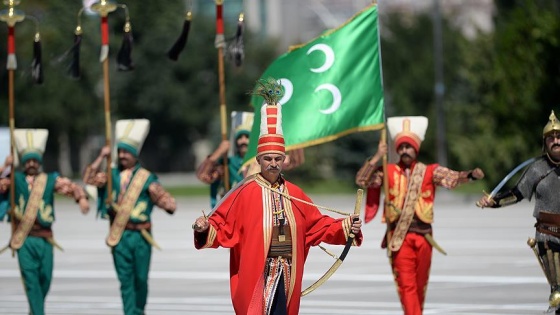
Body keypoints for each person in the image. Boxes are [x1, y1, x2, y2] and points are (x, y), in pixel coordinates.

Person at [192, 81, 363, 315]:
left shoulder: (295, 193)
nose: (273, 163)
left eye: (277, 159)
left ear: (283, 160)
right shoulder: (245, 191)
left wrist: (346, 226)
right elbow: (223, 226)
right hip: (257, 273)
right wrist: (204, 228)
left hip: (287, 271)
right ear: (259, 160)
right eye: (268, 158)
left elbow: (317, 225)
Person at [355, 116, 484, 315]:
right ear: (397, 149)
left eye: (409, 146)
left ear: (416, 148)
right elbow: (362, 180)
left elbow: (452, 178)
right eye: (402, 147)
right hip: (399, 238)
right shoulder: (387, 171)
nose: (405, 150)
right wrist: (376, 157)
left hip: (424, 238)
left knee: (420, 287)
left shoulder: (429, 171)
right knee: (406, 287)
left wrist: (470, 176)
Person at [83, 119, 176, 315]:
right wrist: (101, 156)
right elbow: (89, 179)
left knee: (140, 279)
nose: (123, 155)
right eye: (120, 151)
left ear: (135, 154)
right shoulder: (110, 175)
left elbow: (169, 203)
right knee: (125, 281)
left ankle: (138, 311)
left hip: (141, 236)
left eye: (127, 152)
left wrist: (163, 199)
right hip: (120, 235)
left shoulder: (146, 177)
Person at [477, 110, 560, 314]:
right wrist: (493, 202)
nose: (556, 141)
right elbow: (516, 194)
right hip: (548, 236)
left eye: (559, 137)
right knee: (558, 293)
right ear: (545, 142)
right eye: (551, 138)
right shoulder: (537, 170)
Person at [0, 128, 89, 315]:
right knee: (31, 284)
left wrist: (80, 198)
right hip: (24, 239)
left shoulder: (49, 180)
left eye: (34, 160)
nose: (31, 164)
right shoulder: (14, 180)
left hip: (46, 239)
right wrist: (4, 167)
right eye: (28, 160)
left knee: (44, 282)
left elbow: (71, 187)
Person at [196, 111, 305, 207]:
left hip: (260, 208)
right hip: (234, 210)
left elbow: (294, 161)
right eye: (240, 137)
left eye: (247, 137)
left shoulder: (264, 160)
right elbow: (203, 176)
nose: (243, 141)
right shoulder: (228, 163)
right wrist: (218, 152)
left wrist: (296, 138)